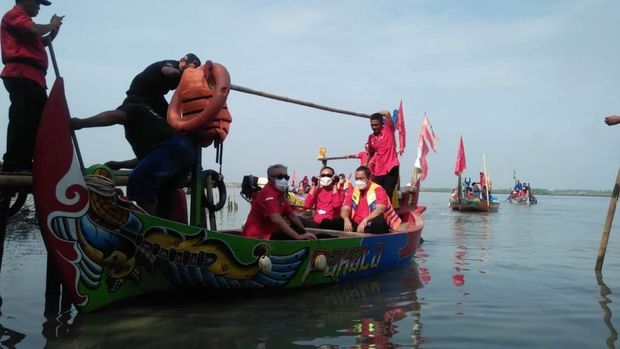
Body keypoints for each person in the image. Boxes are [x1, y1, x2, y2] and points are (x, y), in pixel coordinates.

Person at [70, 54, 201, 218]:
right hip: (185, 153)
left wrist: (81, 123)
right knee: (162, 191)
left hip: (176, 147)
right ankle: (167, 230)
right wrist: (120, 164)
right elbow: (152, 158)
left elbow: (117, 116)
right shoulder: (167, 68)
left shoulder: (139, 109)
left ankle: (151, 229)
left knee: (139, 180)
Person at [1, 0, 63, 172]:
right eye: (37, 2)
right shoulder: (14, 16)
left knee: (36, 122)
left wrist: (54, 29)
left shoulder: (24, 22)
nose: (39, 6)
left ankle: (26, 161)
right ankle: (14, 164)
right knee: (23, 119)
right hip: (21, 73)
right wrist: (51, 24)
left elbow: (43, 41)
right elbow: (33, 30)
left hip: (34, 77)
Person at [242, 164, 316, 240]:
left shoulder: (280, 194)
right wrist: (299, 237)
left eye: (286, 177)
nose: (283, 180)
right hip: (258, 237)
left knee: (301, 230)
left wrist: (304, 231)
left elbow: (292, 216)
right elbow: (276, 219)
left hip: (271, 233)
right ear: (270, 178)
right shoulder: (267, 194)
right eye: (280, 177)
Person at [124, 53, 201, 118]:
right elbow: (166, 71)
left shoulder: (184, 77)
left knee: (168, 117)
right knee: (130, 112)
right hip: (139, 91)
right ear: (182, 60)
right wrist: (182, 72)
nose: (191, 71)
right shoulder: (172, 64)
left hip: (155, 96)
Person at [339, 166, 402, 234]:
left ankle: (378, 242)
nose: (358, 181)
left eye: (361, 178)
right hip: (357, 225)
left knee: (379, 222)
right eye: (356, 179)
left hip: (371, 224)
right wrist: (346, 220)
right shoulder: (353, 190)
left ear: (369, 179)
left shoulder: (378, 190)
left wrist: (365, 221)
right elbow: (345, 208)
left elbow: (380, 209)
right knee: (333, 222)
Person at [366, 111, 401, 198]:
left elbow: (387, 113)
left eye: (376, 125)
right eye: (372, 125)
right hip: (378, 170)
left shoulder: (388, 130)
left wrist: (375, 114)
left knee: (387, 195)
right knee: (377, 195)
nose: (374, 127)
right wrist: (366, 167)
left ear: (382, 124)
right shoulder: (371, 138)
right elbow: (370, 155)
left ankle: (387, 211)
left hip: (391, 167)